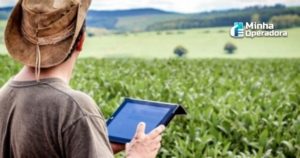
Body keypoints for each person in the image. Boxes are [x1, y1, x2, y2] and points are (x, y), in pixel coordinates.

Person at [0, 0, 165, 158]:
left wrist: (98, 145)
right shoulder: (73, 107)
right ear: (81, 41)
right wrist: (138, 155)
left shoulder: (4, 94)